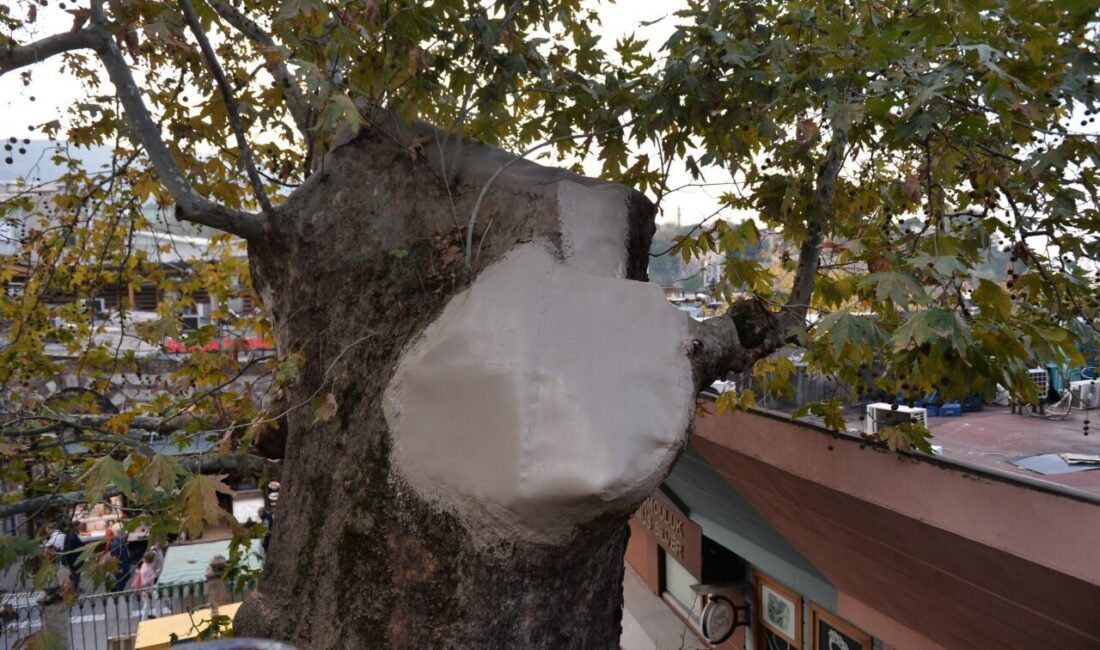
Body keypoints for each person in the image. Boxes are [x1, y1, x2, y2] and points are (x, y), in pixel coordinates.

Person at [131, 550, 158, 620]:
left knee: (148, 605)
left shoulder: (145, 565)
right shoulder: (146, 569)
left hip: (147, 590)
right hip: (146, 590)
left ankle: (147, 618)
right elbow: (144, 583)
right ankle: (144, 619)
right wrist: (155, 575)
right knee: (148, 605)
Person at [107, 524, 131, 593]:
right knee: (120, 585)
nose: (124, 534)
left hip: (125, 567)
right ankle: (117, 595)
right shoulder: (116, 544)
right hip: (122, 570)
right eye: (123, 532)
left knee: (122, 584)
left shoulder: (121, 541)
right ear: (118, 533)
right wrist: (119, 568)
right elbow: (114, 558)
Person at [61, 521, 83, 592]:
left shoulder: (72, 534)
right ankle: (75, 589)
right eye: (80, 525)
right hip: (74, 559)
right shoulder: (72, 535)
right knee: (76, 574)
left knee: (75, 573)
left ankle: (73, 586)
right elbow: (74, 547)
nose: (82, 526)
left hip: (73, 559)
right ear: (76, 526)